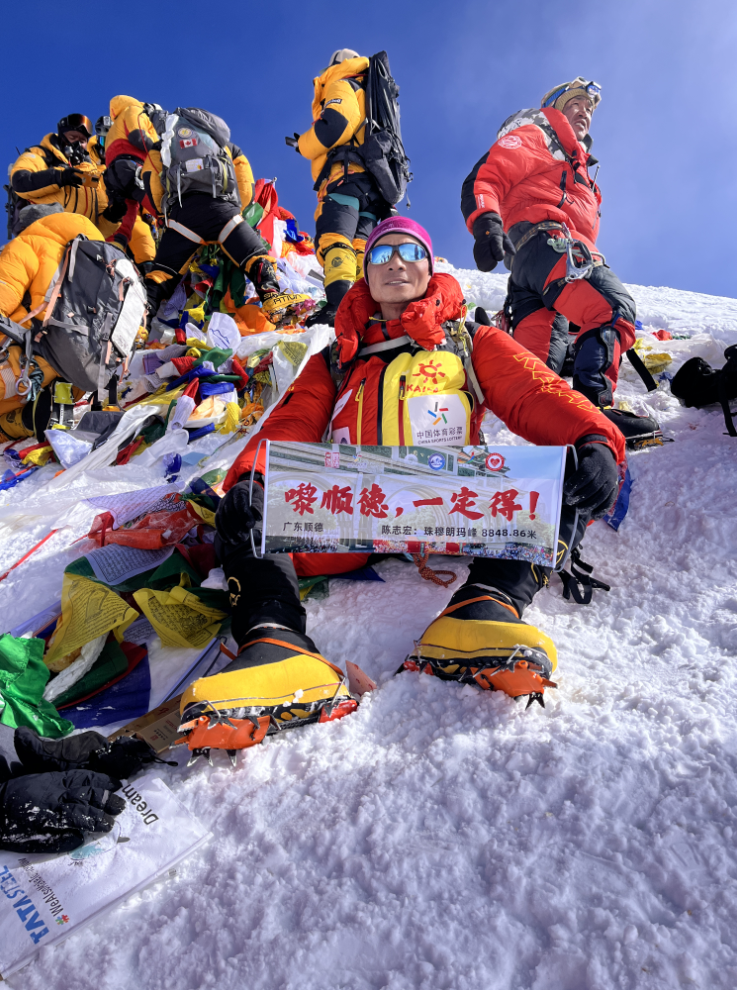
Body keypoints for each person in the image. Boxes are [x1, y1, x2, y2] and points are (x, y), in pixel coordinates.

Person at [176, 216, 625, 758]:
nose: (395, 262)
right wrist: (252, 480)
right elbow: (290, 426)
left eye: (409, 250)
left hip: (451, 509)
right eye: (381, 252)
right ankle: (274, 640)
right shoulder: (336, 360)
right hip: (351, 517)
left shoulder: (467, 341)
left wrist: (596, 438)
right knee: (248, 500)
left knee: (565, 468)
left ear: (429, 265)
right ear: (365, 273)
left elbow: (535, 395)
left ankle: (486, 605)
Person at [461, 78, 642, 417]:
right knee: (613, 309)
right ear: (555, 107)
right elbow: (487, 175)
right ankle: (594, 414)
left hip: (530, 268)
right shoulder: (542, 136)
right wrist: (486, 223)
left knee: (540, 369)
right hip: (550, 246)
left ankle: (537, 433)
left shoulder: (578, 169)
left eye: (589, 108)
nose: (585, 111)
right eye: (576, 103)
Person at [138, 104, 292, 321]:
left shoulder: (161, 146)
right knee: (254, 256)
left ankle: (139, 320)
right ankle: (274, 303)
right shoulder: (222, 144)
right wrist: (236, 210)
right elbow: (245, 183)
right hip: (223, 210)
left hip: (184, 217)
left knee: (162, 273)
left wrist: (164, 215)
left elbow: (152, 183)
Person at [295, 49, 391, 327]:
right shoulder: (372, 95)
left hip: (346, 178)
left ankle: (340, 306)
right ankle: (369, 306)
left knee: (335, 238)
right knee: (361, 246)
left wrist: (304, 144)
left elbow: (336, 125)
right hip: (375, 185)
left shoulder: (341, 81)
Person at [9, 114, 114, 234]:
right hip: (44, 235)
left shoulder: (91, 175)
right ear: (62, 138)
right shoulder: (43, 155)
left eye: (83, 141)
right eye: (73, 137)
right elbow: (20, 181)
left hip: (79, 243)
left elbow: (100, 227)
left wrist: (114, 215)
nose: (78, 144)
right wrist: (60, 177)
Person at [88, 112, 156, 268]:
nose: (106, 146)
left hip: (131, 215)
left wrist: (148, 214)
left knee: (142, 236)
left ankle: (148, 273)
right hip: (104, 217)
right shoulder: (91, 167)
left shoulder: (129, 162)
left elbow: (141, 186)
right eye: (103, 140)